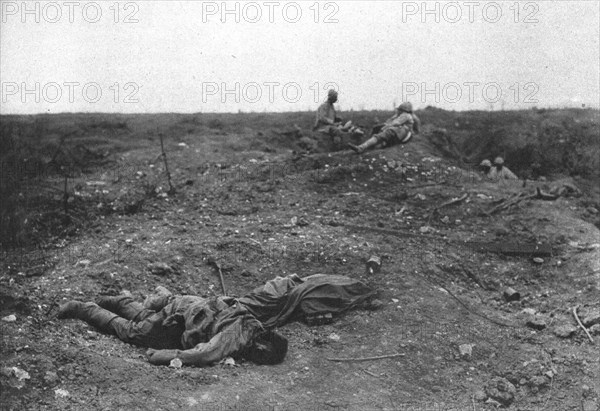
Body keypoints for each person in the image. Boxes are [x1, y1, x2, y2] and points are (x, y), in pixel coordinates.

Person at [57, 274, 374, 367]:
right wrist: (163, 358)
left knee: (148, 320)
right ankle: (84, 308)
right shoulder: (236, 338)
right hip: (183, 315)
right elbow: (204, 353)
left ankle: (123, 300)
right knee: (135, 334)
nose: (257, 358)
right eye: (261, 355)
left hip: (187, 307)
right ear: (260, 343)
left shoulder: (252, 320)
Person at [348, 102, 420, 154]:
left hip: (399, 132)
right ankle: (368, 146)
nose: (398, 111)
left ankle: (362, 147)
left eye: (400, 109)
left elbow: (396, 123)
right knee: (378, 130)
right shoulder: (400, 115)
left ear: (403, 110)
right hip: (398, 132)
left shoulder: (406, 115)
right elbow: (390, 121)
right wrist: (385, 125)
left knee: (382, 135)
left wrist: (386, 126)